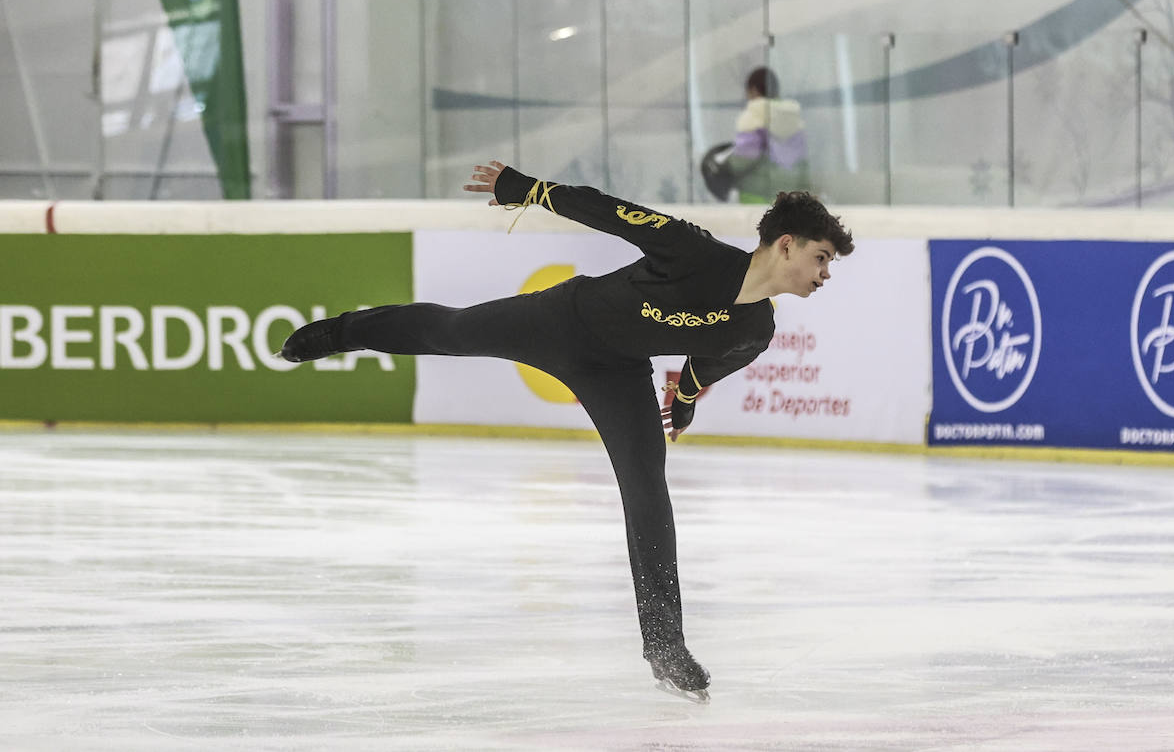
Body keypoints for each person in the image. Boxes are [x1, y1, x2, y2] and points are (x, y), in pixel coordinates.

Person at [279, 161, 853, 702]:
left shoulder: (757, 328)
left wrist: (682, 405)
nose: (826, 275)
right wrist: (526, 188)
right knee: (453, 332)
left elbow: (706, 365)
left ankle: (665, 645)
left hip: (618, 372)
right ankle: (340, 333)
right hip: (561, 321)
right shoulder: (695, 252)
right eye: (822, 258)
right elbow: (610, 211)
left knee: (648, 491)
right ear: (786, 245)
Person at [727, 66, 810, 203]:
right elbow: (803, 163)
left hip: (755, 195)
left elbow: (742, 161)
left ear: (754, 90)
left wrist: (726, 164)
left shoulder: (754, 116)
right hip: (788, 197)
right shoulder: (793, 118)